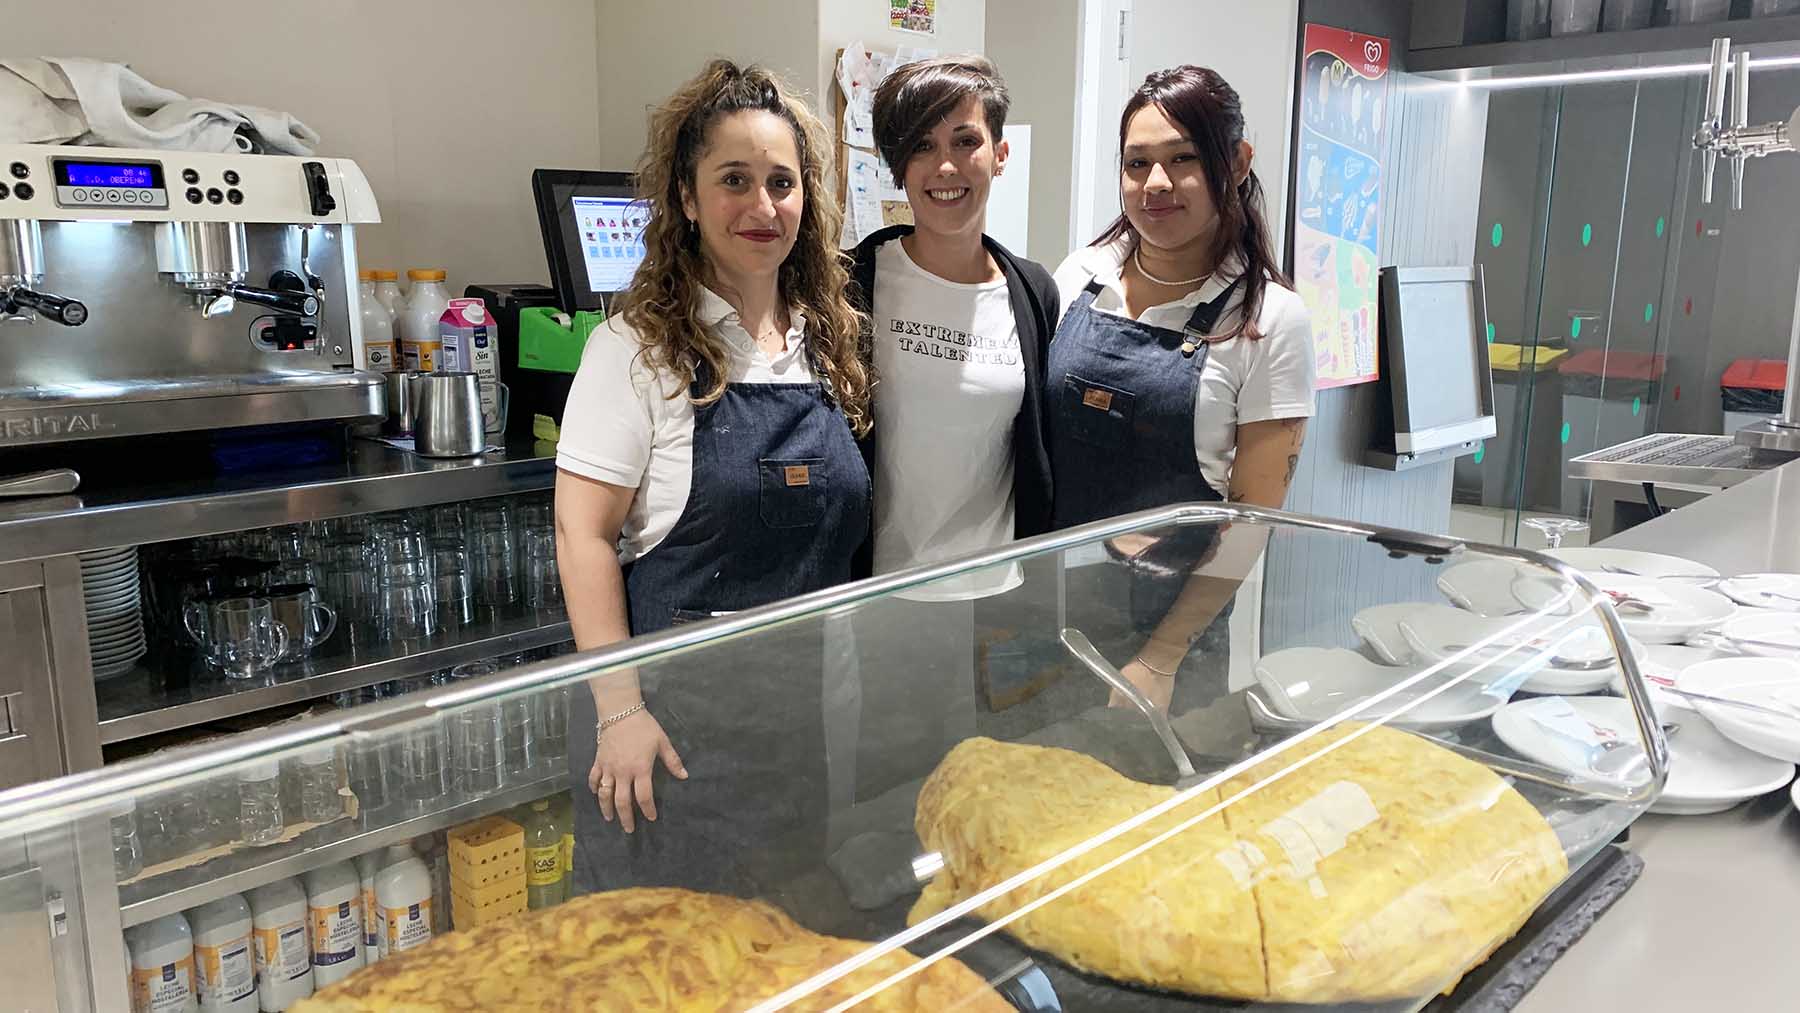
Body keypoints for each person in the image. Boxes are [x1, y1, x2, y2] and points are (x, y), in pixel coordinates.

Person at [552, 59, 872, 897]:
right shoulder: (634, 350)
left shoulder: (828, 346)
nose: (763, 208)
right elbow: (580, 534)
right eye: (734, 180)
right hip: (665, 740)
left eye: (782, 182)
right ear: (687, 199)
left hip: (797, 736)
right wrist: (618, 710)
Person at [1047, 65, 1315, 713]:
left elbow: (1252, 520)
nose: (1155, 183)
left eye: (1183, 159)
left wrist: (1160, 658)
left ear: (1239, 161)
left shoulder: (1270, 320)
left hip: (1171, 640)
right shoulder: (1079, 275)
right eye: (1137, 164)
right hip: (1048, 614)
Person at [840, 56, 1061, 803]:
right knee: (893, 809)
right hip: (885, 601)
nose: (945, 167)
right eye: (921, 146)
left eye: (965, 140)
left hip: (1001, 601)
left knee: (1000, 804)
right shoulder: (852, 284)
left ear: (1001, 151)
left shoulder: (1033, 291)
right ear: (895, 165)